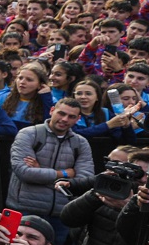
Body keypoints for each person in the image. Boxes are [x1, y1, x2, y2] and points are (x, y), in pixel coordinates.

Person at [6, 97, 94, 227]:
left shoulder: (80, 143)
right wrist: (64, 174)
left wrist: (40, 170)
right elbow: (25, 173)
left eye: (71, 116)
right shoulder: (29, 134)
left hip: (61, 213)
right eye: (61, 113)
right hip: (25, 209)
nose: (65, 119)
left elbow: (84, 180)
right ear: (52, 111)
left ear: (78, 119)